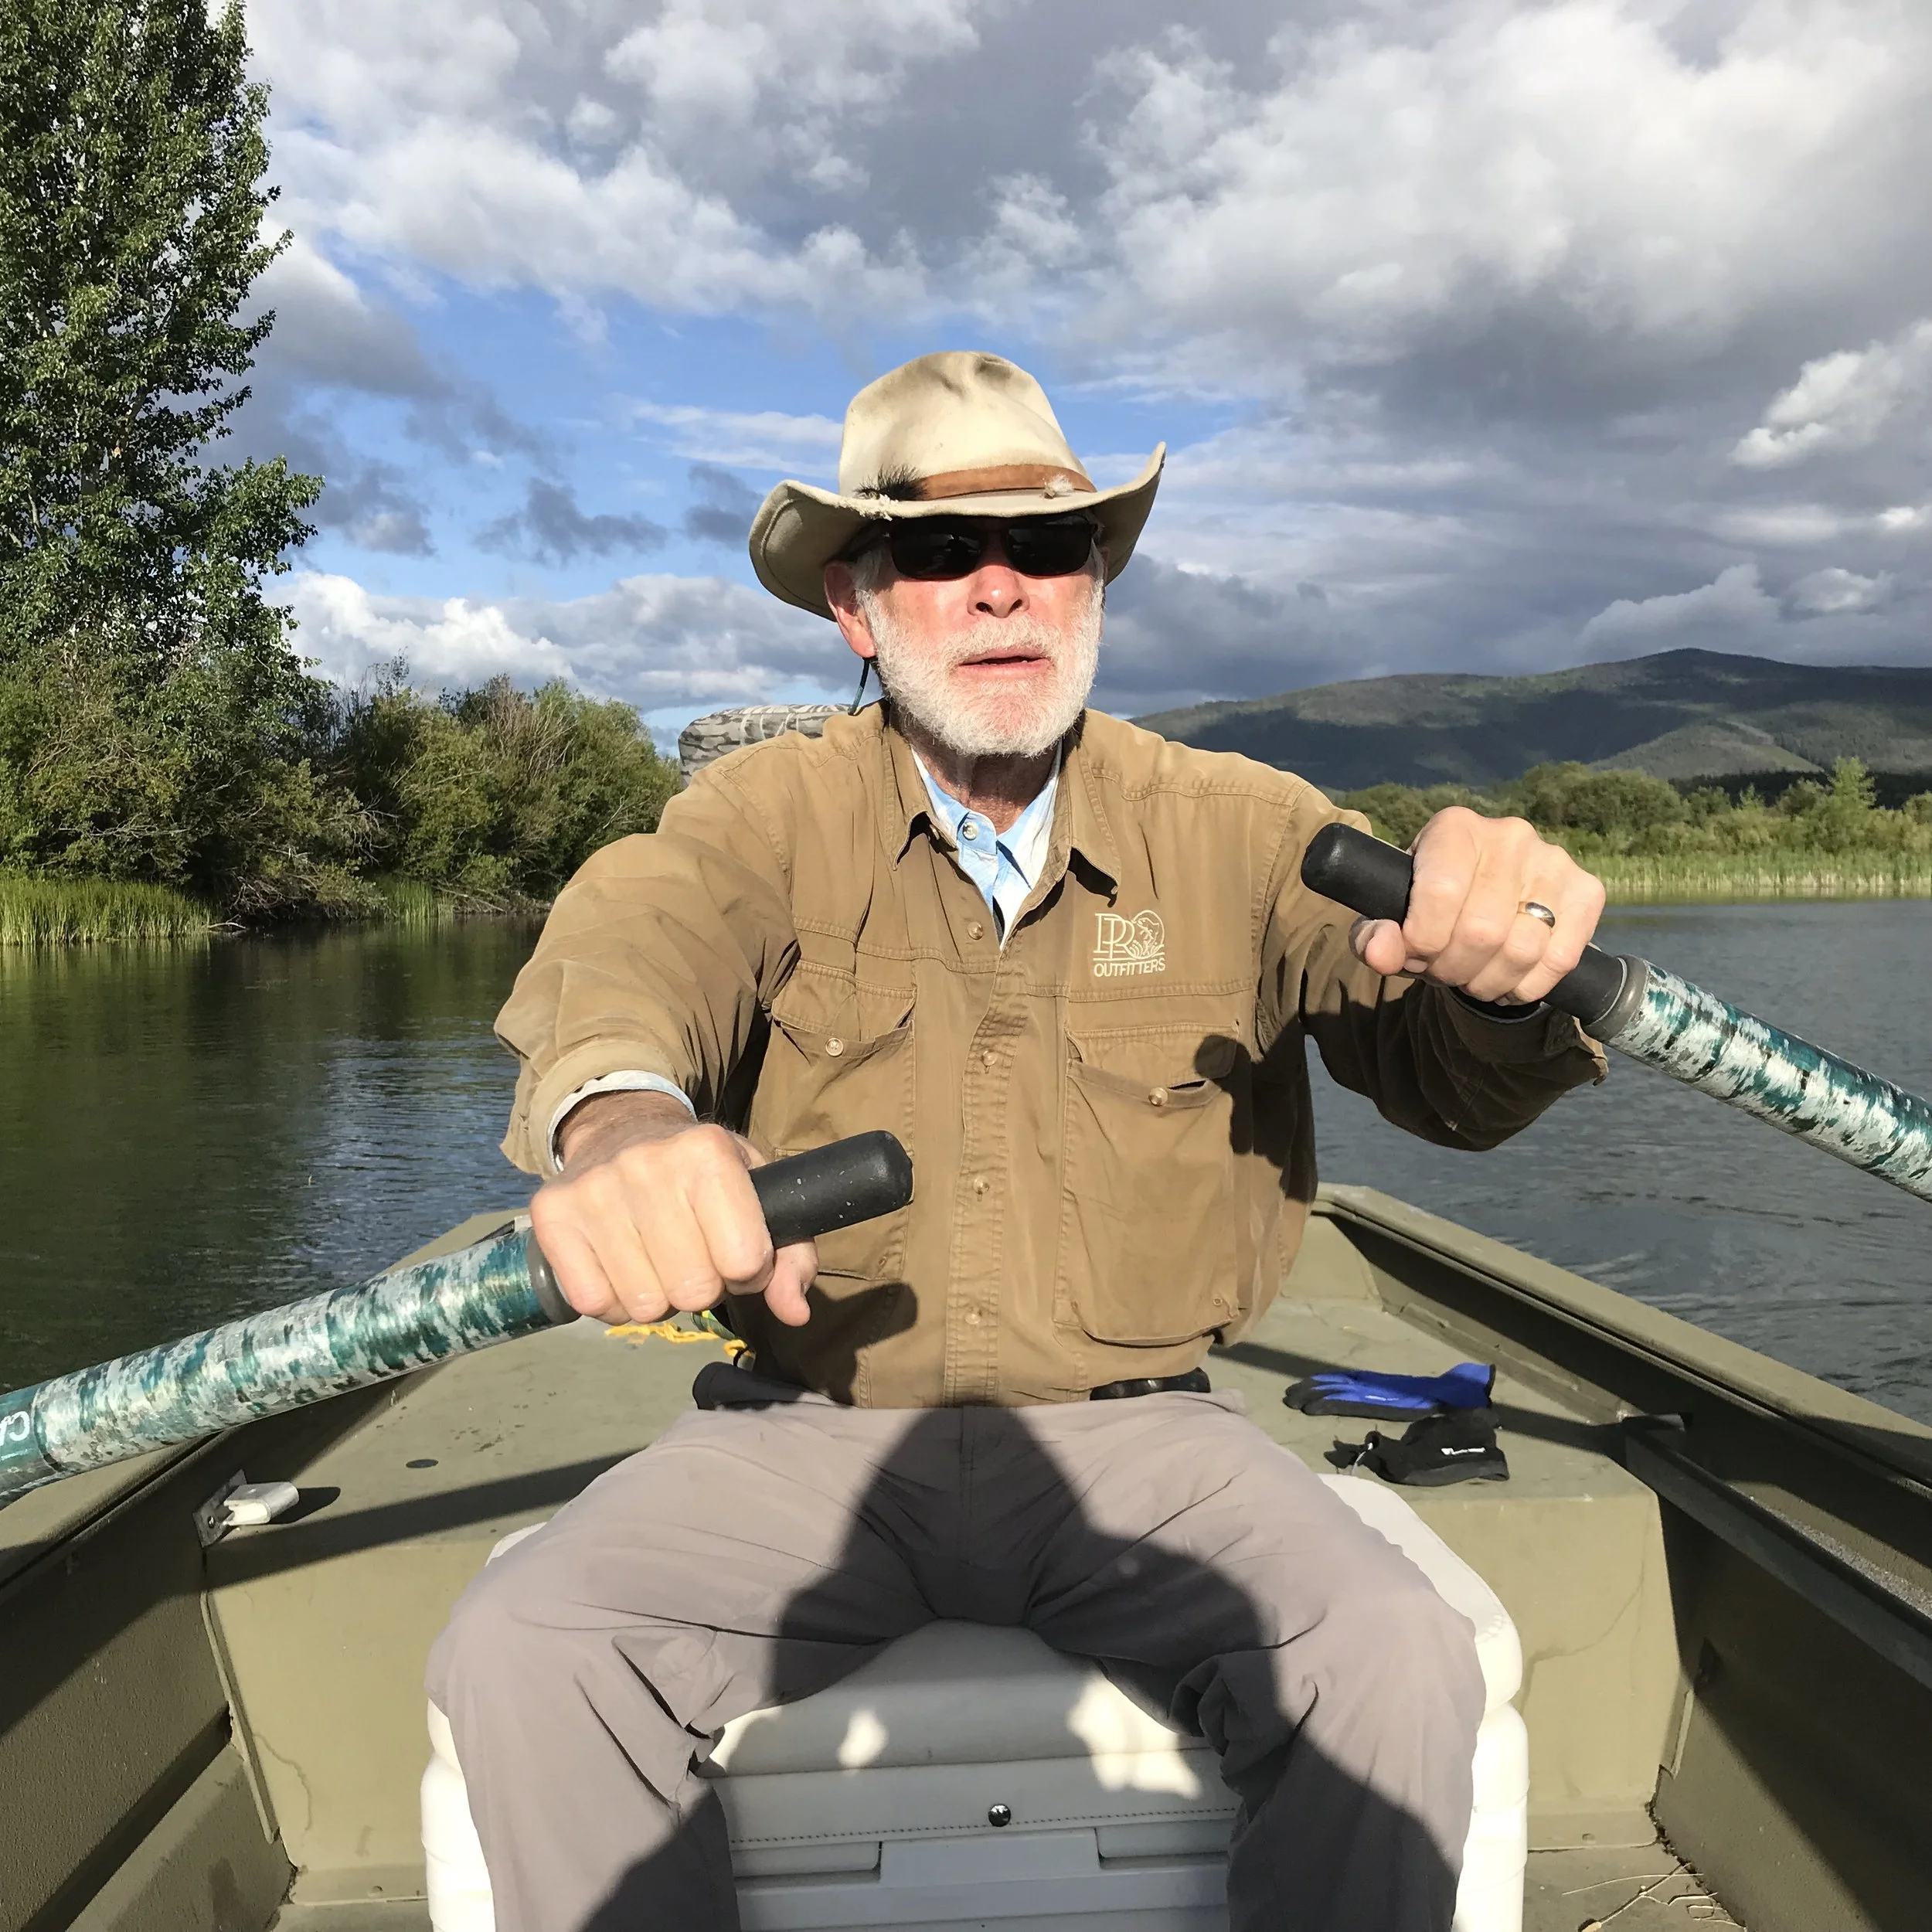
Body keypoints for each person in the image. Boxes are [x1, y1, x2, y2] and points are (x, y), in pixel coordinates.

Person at [429, 351, 1608, 1932]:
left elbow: (1444, 1080)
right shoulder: (763, 813)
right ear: (858, 606)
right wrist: (624, 1124)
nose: (999, 585)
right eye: (935, 549)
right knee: (525, 1650)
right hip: (802, 1428)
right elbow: (635, 944)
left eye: (1046, 545)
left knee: (1390, 1654)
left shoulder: (1245, 825)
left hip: (1140, 1440)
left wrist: (1503, 975)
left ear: (1093, 581)